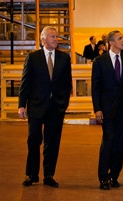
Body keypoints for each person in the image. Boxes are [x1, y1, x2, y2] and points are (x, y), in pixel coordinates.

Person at [18, 25, 72, 188]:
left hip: (56, 107)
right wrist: (22, 105)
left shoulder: (64, 58)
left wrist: (64, 103)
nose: (56, 39)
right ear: (43, 39)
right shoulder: (33, 57)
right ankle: (32, 174)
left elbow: (67, 83)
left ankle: (49, 175)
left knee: (52, 142)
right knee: (33, 140)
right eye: (52, 36)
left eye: (56, 37)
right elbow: (25, 82)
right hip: (36, 106)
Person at [92, 30, 123, 190]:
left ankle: (114, 175)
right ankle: (103, 177)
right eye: (120, 38)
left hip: (122, 109)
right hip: (106, 109)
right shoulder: (99, 61)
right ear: (111, 43)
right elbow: (96, 87)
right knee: (108, 140)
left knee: (120, 142)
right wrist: (97, 109)